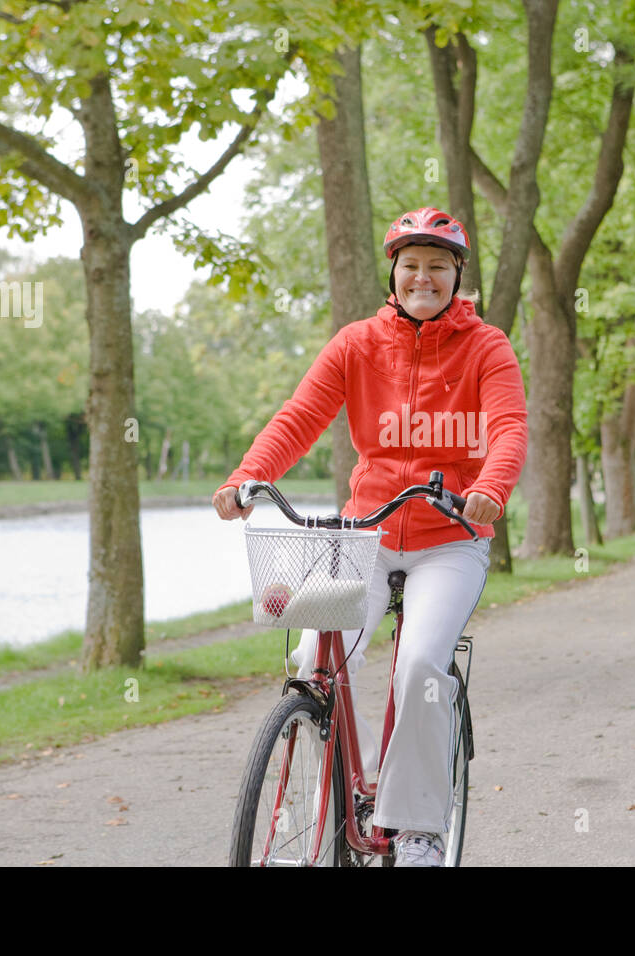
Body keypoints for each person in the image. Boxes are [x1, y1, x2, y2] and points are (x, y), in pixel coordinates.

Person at [214, 207, 527, 866]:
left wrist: (490, 491)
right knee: (314, 663)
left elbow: (508, 429)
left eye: (438, 266)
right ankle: (323, 797)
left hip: (451, 536)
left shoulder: (486, 347)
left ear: (457, 276)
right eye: (411, 265)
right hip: (365, 533)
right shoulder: (357, 343)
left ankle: (416, 830)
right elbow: (299, 417)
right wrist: (249, 478)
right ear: (393, 272)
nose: (423, 277)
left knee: (418, 665)